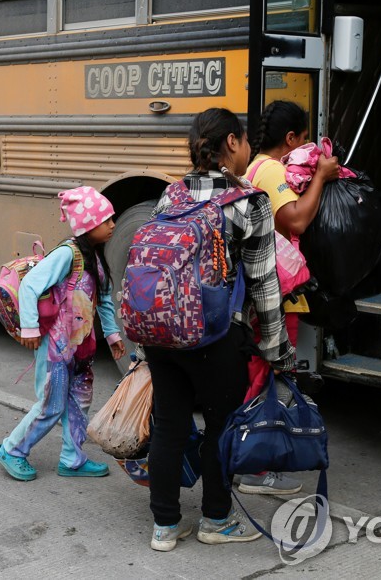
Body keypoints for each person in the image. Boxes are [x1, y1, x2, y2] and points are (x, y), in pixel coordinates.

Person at [145, 107, 295, 552]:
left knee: (169, 425)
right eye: (245, 139)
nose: (248, 147)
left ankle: (165, 528)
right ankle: (216, 519)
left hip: (160, 332)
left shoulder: (171, 195)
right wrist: (275, 347)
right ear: (232, 142)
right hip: (213, 335)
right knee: (220, 426)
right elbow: (265, 284)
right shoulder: (249, 201)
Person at [238, 99, 339, 497]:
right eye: (304, 138)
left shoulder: (252, 168)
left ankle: (251, 458)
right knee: (267, 374)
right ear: (292, 138)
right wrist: (321, 178)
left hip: (263, 288)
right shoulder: (271, 169)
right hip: (274, 294)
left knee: (261, 373)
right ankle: (255, 468)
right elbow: (295, 218)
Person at [0, 186, 127, 481]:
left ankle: (73, 458)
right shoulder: (68, 254)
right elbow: (31, 286)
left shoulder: (96, 259)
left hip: (82, 349)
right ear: (88, 225)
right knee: (50, 405)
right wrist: (29, 327)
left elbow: (104, 300)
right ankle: (11, 449)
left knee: (80, 403)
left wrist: (113, 335)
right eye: (106, 220)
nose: (112, 225)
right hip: (55, 348)